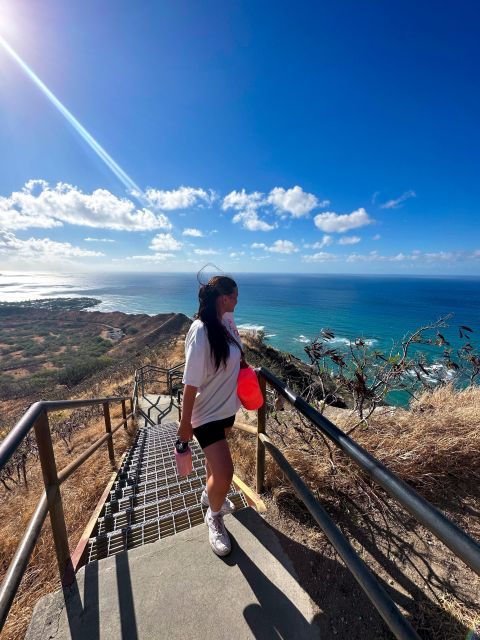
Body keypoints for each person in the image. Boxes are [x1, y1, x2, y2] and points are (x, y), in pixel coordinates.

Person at [178, 275, 243, 556]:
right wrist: (184, 426)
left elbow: (236, 358)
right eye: (235, 296)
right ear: (223, 298)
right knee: (226, 472)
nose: (238, 301)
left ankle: (209, 495)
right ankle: (214, 517)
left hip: (226, 411)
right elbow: (190, 383)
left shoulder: (226, 323)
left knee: (215, 467)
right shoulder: (200, 330)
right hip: (204, 415)